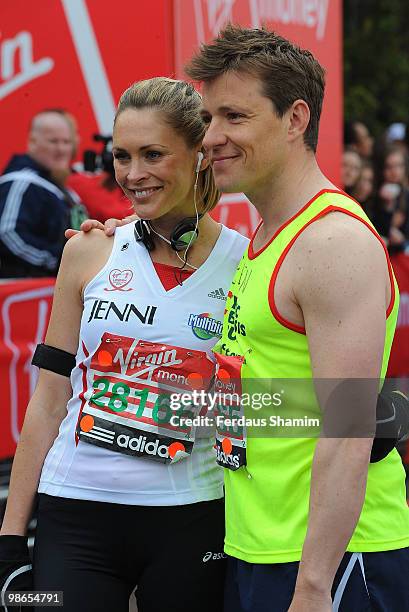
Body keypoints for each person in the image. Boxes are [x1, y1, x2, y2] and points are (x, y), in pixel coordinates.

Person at [183, 24, 409, 612]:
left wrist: (313, 585)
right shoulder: (263, 235)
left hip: (330, 563)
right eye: (208, 118)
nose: (211, 137)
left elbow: (349, 427)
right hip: (260, 547)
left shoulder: (330, 242)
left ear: (295, 119)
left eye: (234, 116)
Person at [0, 78, 248, 611]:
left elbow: (241, 410)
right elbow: (47, 402)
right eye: (122, 156)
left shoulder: (245, 263)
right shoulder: (89, 250)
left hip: (192, 513)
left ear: (198, 154)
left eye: (153, 154)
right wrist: (10, 537)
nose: (133, 175)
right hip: (76, 508)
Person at [0, 110, 87, 278]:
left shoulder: (62, 189)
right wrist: (57, 262)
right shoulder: (20, 182)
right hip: (25, 294)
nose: (61, 149)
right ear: (32, 142)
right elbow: (7, 233)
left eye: (66, 142)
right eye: (53, 141)